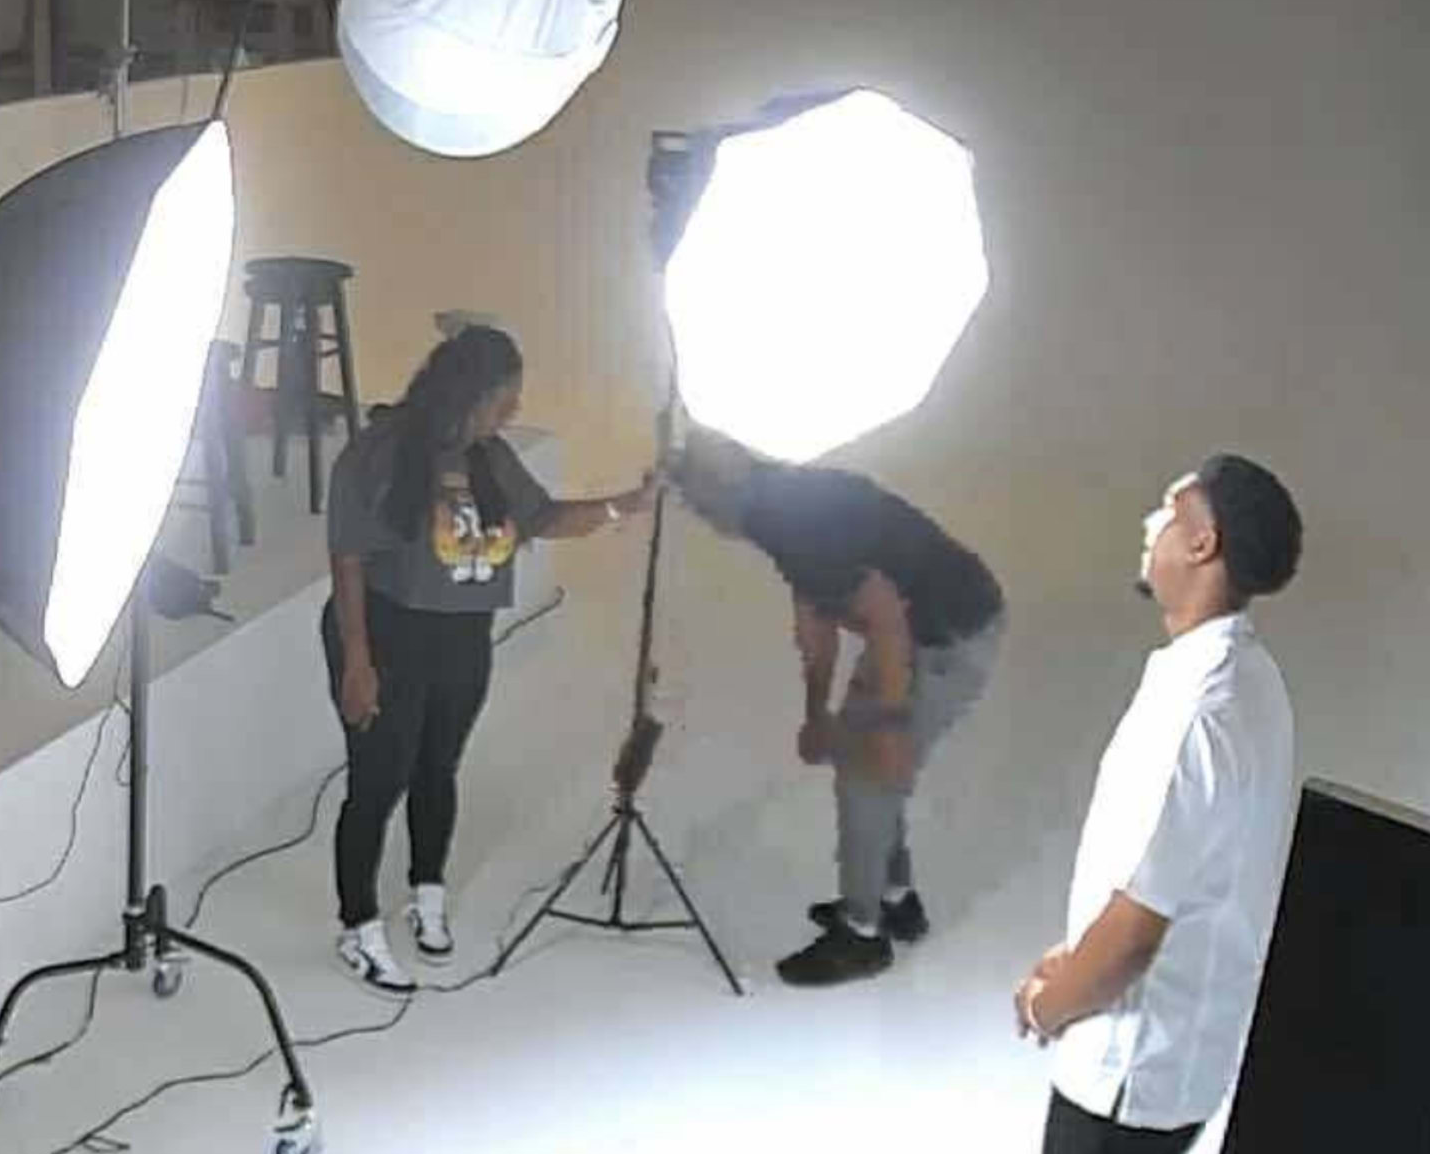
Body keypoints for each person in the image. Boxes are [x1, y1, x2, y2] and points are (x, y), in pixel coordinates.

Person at [881, 455, 1305, 1154]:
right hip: (1183, 1040)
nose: (1151, 521)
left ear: (1204, 547)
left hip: (1133, 1047)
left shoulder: (1203, 708)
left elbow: (1134, 931)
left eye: (1170, 511)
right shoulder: (1239, 677)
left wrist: (1051, 995)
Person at [321, 325, 656, 992]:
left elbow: (545, 517)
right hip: (388, 630)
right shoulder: (381, 452)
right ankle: (357, 926)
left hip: (462, 635)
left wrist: (629, 503)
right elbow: (348, 557)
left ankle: (428, 890)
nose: (511, 411)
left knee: (438, 768)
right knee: (379, 780)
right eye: (503, 398)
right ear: (465, 394)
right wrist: (358, 661)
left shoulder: (491, 458)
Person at [670, 430, 1005, 988]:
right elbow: (815, 618)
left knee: (867, 778)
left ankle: (862, 935)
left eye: (698, 503)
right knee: (863, 762)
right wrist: (816, 713)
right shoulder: (777, 504)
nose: (703, 519)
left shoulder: (790, 522)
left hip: (949, 636)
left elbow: (885, 616)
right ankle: (893, 899)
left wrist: (891, 726)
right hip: (923, 629)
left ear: (719, 485)